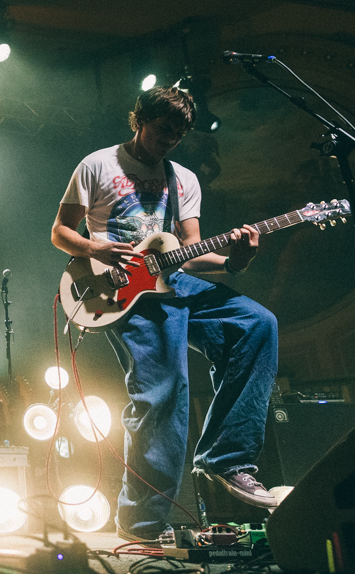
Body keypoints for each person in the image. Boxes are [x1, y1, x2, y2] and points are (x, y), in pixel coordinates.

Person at [50, 86, 279, 541]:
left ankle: (226, 458)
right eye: (161, 130)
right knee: (166, 391)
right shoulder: (98, 165)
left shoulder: (183, 179)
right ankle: (142, 525)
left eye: (177, 135)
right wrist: (96, 247)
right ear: (139, 120)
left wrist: (236, 260)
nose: (168, 141)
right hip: (119, 290)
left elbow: (190, 254)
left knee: (257, 323)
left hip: (173, 280)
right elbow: (59, 232)